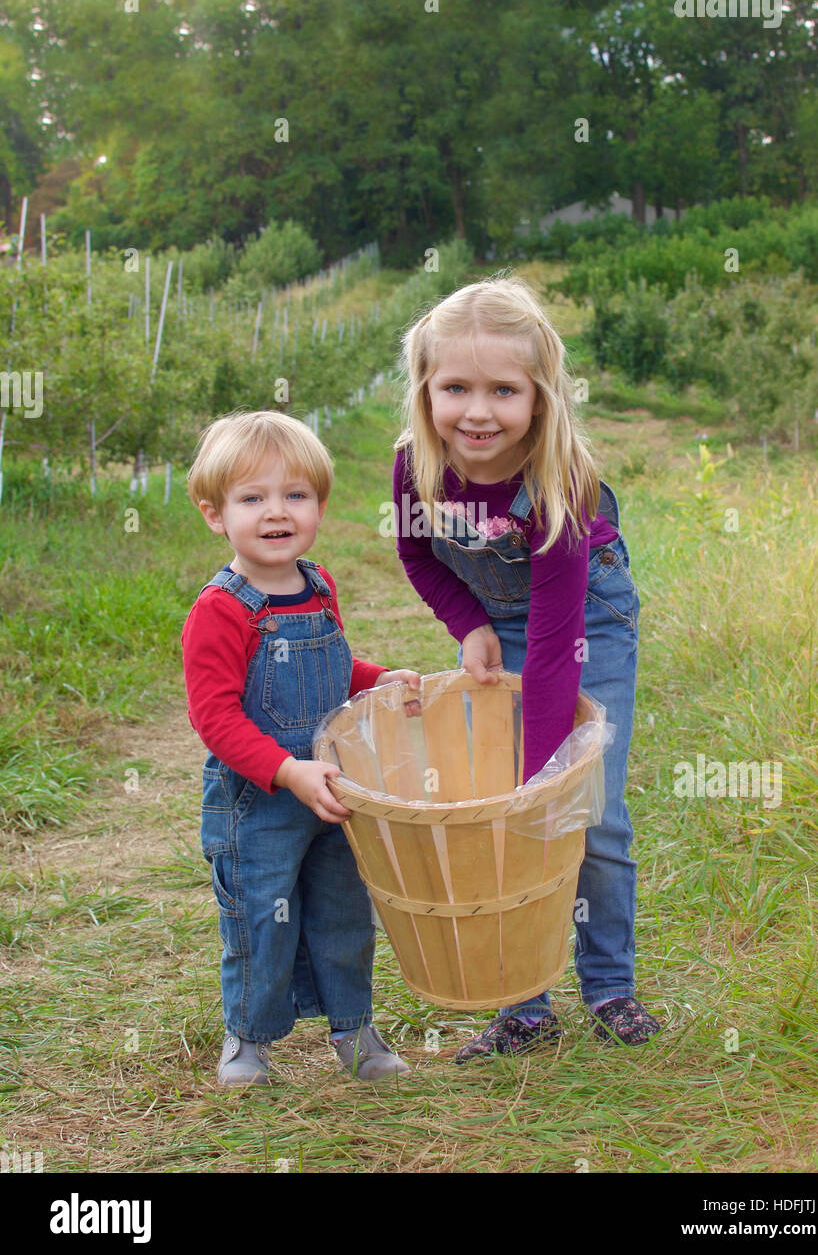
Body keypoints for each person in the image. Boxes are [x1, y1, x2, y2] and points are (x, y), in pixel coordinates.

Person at [392, 275, 660, 1061]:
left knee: (587, 809)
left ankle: (609, 984)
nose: (478, 412)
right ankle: (525, 1007)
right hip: (500, 624)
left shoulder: (559, 483)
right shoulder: (418, 467)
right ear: (426, 389)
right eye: (456, 388)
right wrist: (467, 622)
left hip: (586, 627)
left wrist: (545, 779)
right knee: (497, 816)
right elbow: (416, 555)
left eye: (503, 390)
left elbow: (554, 646)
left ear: (540, 398)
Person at [183, 409, 421, 1086]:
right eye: (252, 498)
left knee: (345, 909)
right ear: (215, 514)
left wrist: (380, 681)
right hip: (259, 801)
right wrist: (286, 771)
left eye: (296, 496)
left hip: (334, 791)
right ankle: (248, 1040)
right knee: (261, 919)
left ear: (319, 505)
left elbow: (332, 673)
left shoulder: (318, 587)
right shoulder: (221, 611)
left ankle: (355, 1031)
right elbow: (216, 718)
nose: (276, 512)